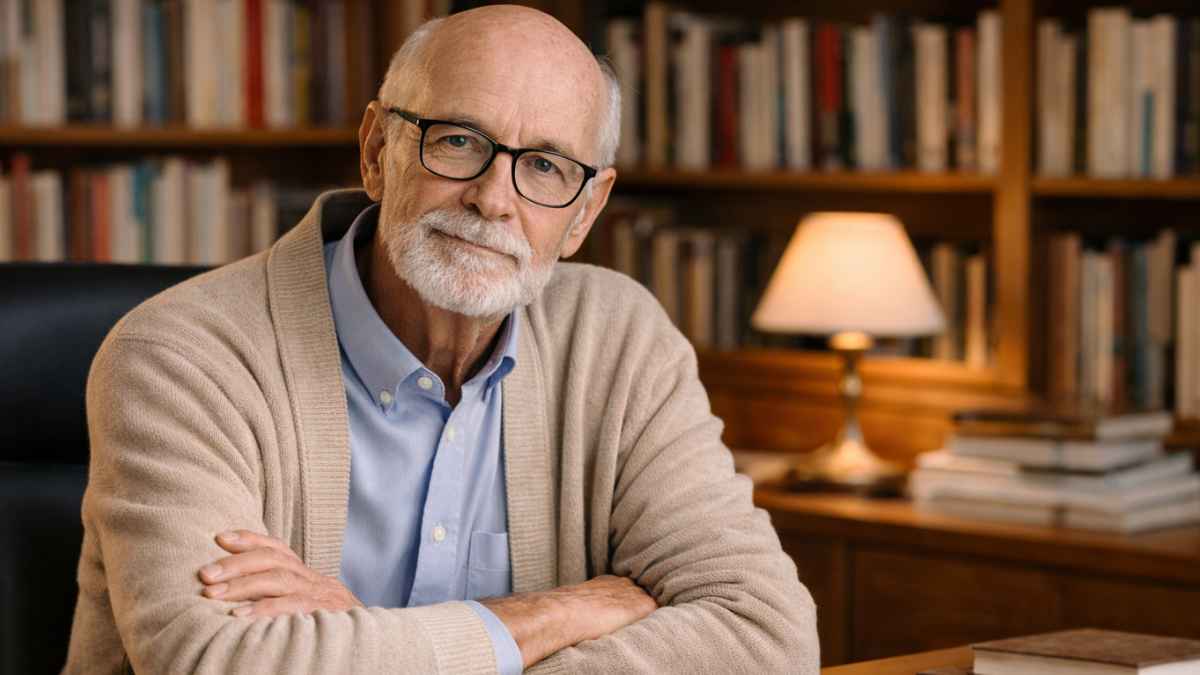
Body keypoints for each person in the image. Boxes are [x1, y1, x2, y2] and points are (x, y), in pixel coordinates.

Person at [63, 5, 818, 673]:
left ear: (585, 213)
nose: (493, 199)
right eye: (458, 141)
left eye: (545, 166)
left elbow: (766, 635)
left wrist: (359, 640)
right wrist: (558, 613)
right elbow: (216, 663)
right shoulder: (180, 355)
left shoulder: (621, 339)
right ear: (375, 151)